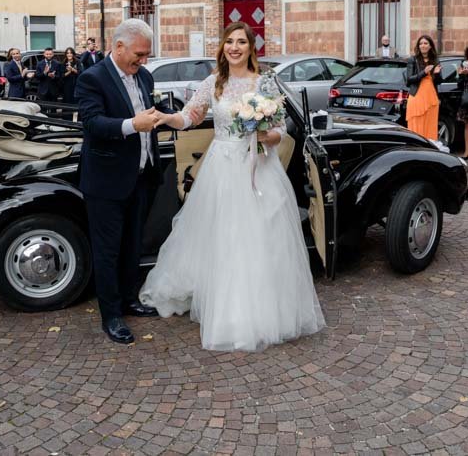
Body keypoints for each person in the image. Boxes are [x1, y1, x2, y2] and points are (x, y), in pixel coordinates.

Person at [141, 22, 325, 352]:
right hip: (223, 166)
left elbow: (280, 129)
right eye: (230, 41)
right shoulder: (214, 82)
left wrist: (268, 135)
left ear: (251, 48)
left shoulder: (263, 82)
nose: (235, 47)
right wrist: (168, 119)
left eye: (241, 42)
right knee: (225, 235)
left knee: (261, 236)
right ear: (223, 46)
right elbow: (191, 116)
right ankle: (228, 310)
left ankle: (263, 311)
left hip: (259, 168)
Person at [75, 19, 186, 345]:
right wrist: (131, 125)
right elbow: (92, 123)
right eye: (140, 54)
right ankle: (111, 315)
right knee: (107, 251)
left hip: (142, 176)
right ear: (119, 46)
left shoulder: (145, 76)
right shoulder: (92, 78)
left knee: (133, 245)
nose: (144, 60)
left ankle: (128, 299)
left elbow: (151, 109)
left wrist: (167, 113)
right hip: (106, 181)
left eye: (147, 54)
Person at [404, 35, 442, 141]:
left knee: (430, 127)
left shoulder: (435, 60)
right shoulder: (413, 60)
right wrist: (424, 72)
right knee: (416, 128)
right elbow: (409, 80)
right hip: (417, 97)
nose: (423, 45)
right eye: (421, 43)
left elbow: (438, 82)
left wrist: (437, 74)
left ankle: (428, 149)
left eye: (425, 43)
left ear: (430, 46)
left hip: (431, 98)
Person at [34, 47, 63, 113]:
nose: (48, 55)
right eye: (47, 54)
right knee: (43, 109)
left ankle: (53, 119)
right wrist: (44, 73)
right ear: (44, 54)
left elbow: (60, 77)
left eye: (50, 54)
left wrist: (54, 76)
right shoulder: (39, 64)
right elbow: (37, 76)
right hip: (43, 90)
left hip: (53, 90)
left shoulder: (57, 64)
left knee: (53, 110)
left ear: (53, 54)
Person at [61, 47, 80, 118]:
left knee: (76, 101)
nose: (69, 54)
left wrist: (72, 69)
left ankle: (76, 118)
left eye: (71, 53)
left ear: (73, 54)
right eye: (68, 53)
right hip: (67, 85)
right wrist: (69, 72)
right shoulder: (63, 63)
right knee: (67, 101)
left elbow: (81, 72)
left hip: (76, 84)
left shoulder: (77, 62)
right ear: (66, 54)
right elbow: (62, 75)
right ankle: (67, 118)